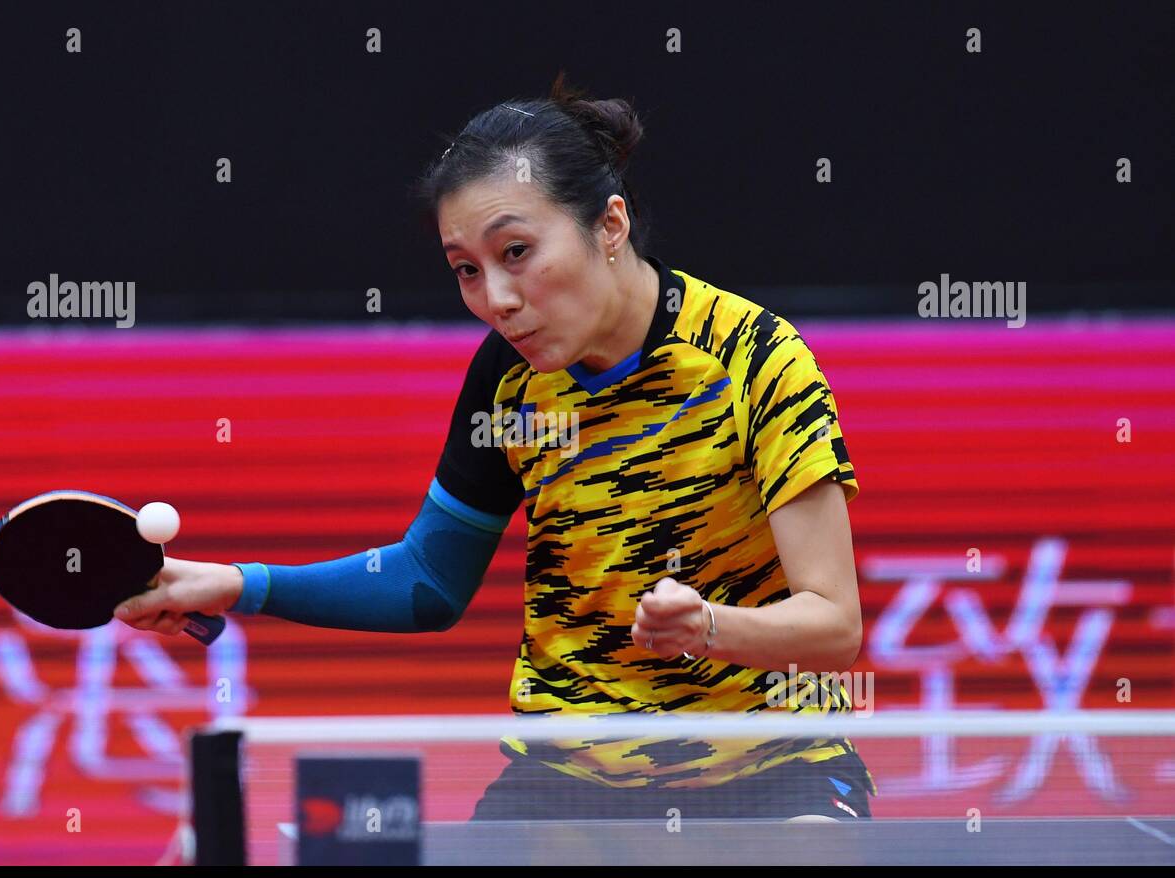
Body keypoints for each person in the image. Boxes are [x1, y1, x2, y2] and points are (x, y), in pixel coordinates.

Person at [114, 72, 876, 823]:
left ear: (609, 226)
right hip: (566, 786)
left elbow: (834, 626)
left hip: (775, 769)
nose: (497, 301)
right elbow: (428, 582)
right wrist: (235, 585)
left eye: (516, 252)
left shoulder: (755, 356)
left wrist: (707, 627)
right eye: (467, 271)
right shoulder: (510, 378)